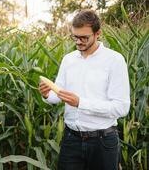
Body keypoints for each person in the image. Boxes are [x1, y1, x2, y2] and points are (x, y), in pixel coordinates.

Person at [39, 9, 130, 170]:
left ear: (98, 34)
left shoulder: (114, 60)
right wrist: (47, 95)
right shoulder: (69, 60)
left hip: (102, 141)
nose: (79, 41)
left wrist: (81, 103)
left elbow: (121, 108)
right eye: (75, 37)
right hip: (71, 139)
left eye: (84, 37)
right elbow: (58, 95)